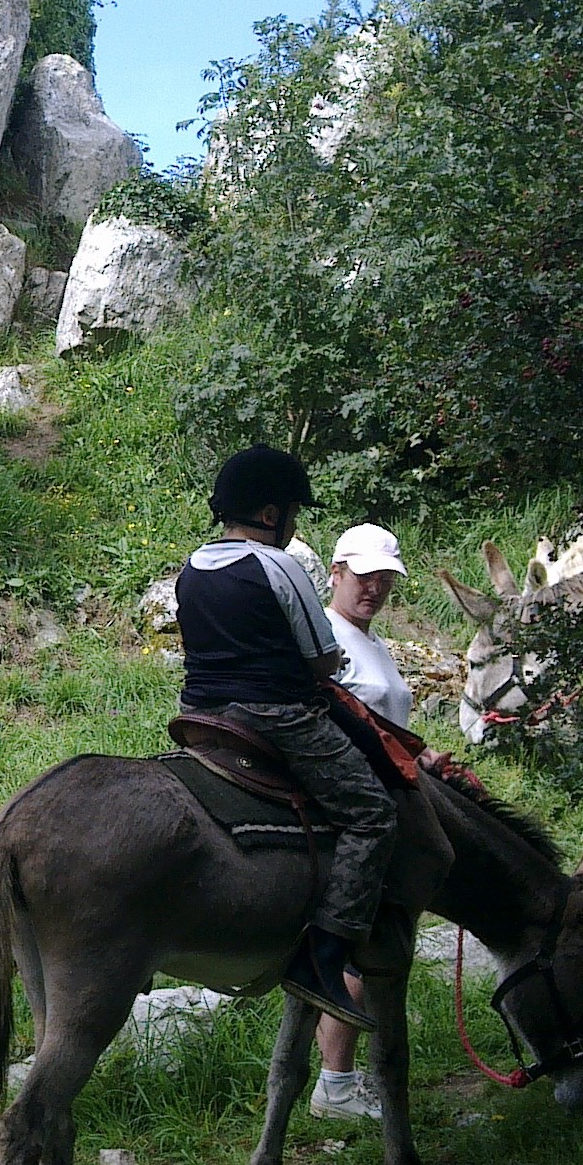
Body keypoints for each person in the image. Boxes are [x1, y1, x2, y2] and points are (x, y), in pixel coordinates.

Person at [174, 446, 394, 1032]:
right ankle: (325, 954)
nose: (295, 524)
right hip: (277, 716)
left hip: (200, 714)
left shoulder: (191, 567)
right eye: (293, 512)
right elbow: (324, 659)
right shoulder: (280, 565)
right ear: (271, 515)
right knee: (372, 813)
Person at [309, 522, 413, 1118]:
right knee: (356, 942)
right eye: (363, 576)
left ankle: (345, 1082)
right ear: (336, 573)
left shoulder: (373, 643)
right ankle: (337, 1086)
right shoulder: (327, 638)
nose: (373, 588)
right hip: (354, 814)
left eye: (384, 579)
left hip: (386, 803)